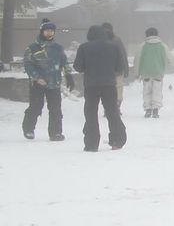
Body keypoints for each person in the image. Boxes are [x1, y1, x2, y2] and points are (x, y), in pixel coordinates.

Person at [73, 24, 127, 152]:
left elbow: (78, 67)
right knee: (112, 112)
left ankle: (91, 143)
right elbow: (120, 67)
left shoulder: (84, 47)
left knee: (91, 113)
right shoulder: (114, 47)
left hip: (91, 85)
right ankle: (117, 140)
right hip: (109, 84)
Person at [21, 20, 74, 141]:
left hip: (54, 83)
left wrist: (68, 75)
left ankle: (55, 133)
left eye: (51, 31)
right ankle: (28, 128)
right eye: (47, 30)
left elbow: (64, 62)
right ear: (42, 31)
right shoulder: (32, 48)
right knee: (36, 106)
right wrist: (37, 77)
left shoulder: (58, 48)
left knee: (55, 108)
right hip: (38, 83)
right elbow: (28, 64)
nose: (49, 33)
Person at [136, 27, 174, 118]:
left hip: (145, 73)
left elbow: (137, 59)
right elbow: (172, 59)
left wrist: (136, 73)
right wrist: (171, 64)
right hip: (158, 72)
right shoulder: (162, 45)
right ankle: (156, 110)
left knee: (147, 91)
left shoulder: (143, 45)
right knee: (157, 91)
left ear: (147, 35)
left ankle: (148, 109)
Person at [101, 22, 130, 106]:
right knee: (118, 89)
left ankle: (108, 107)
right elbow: (123, 54)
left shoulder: (99, 41)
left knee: (106, 90)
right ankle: (116, 106)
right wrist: (126, 68)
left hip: (104, 71)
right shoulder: (117, 40)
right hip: (118, 70)